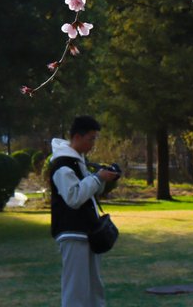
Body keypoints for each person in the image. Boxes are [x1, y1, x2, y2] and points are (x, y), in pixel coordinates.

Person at [49, 115, 121, 307]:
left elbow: (88, 191)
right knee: (76, 288)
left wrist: (104, 178)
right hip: (72, 232)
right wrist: (97, 178)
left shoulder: (77, 161)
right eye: (91, 139)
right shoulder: (62, 164)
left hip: (87, 232)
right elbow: (73, 197)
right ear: (77, 137)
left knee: (94, 287)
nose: (93, 144)